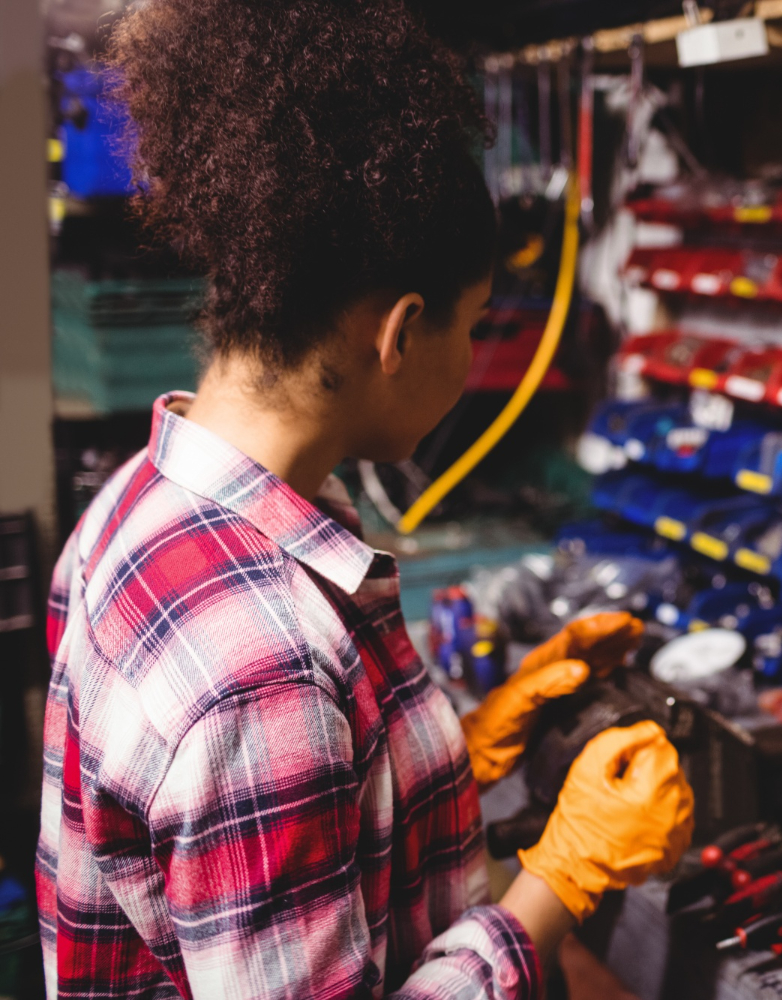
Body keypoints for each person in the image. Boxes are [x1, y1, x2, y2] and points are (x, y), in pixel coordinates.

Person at [35, 1, 693, 997]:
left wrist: (455, 754)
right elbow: (265, 746)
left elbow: (248, 853)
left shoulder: (135, 507)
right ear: (398, 333)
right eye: (472, 328)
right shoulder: (261, 668)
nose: (472, 363)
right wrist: (564, 877)